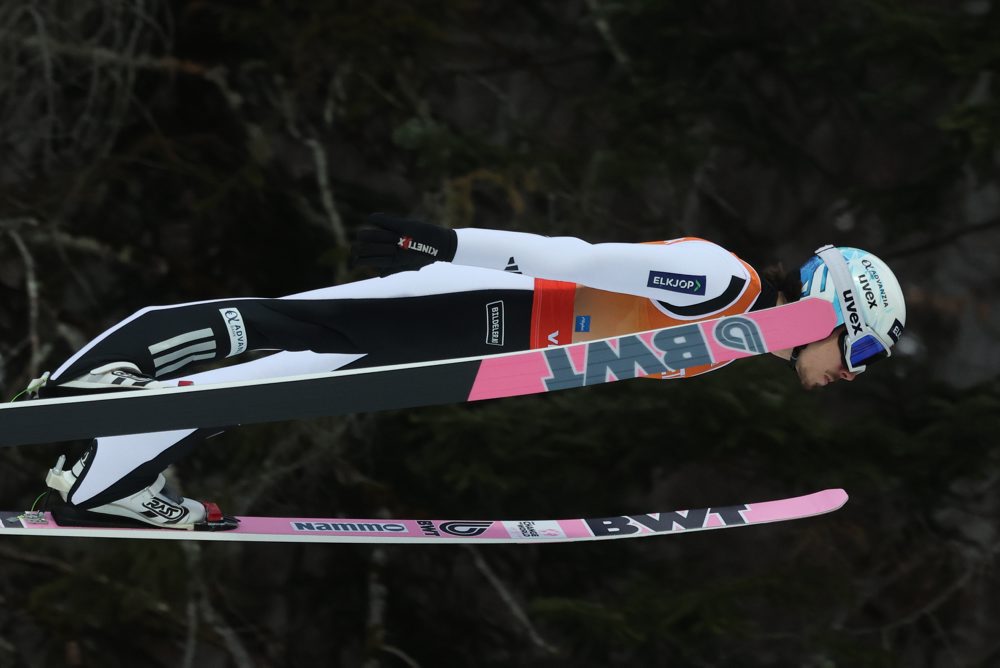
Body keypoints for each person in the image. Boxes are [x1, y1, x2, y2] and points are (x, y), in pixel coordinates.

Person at [29, 214, 907, 530]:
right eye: (862, 351)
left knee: (279, 379)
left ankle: (105, 477)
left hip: (487, 344)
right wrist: (445, 245)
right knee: (284, 331)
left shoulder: (736, 339)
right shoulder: (723, 282)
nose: (854, 373)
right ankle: (82, 390)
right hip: (485, 303)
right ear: (835, 309)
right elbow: (579, 258)